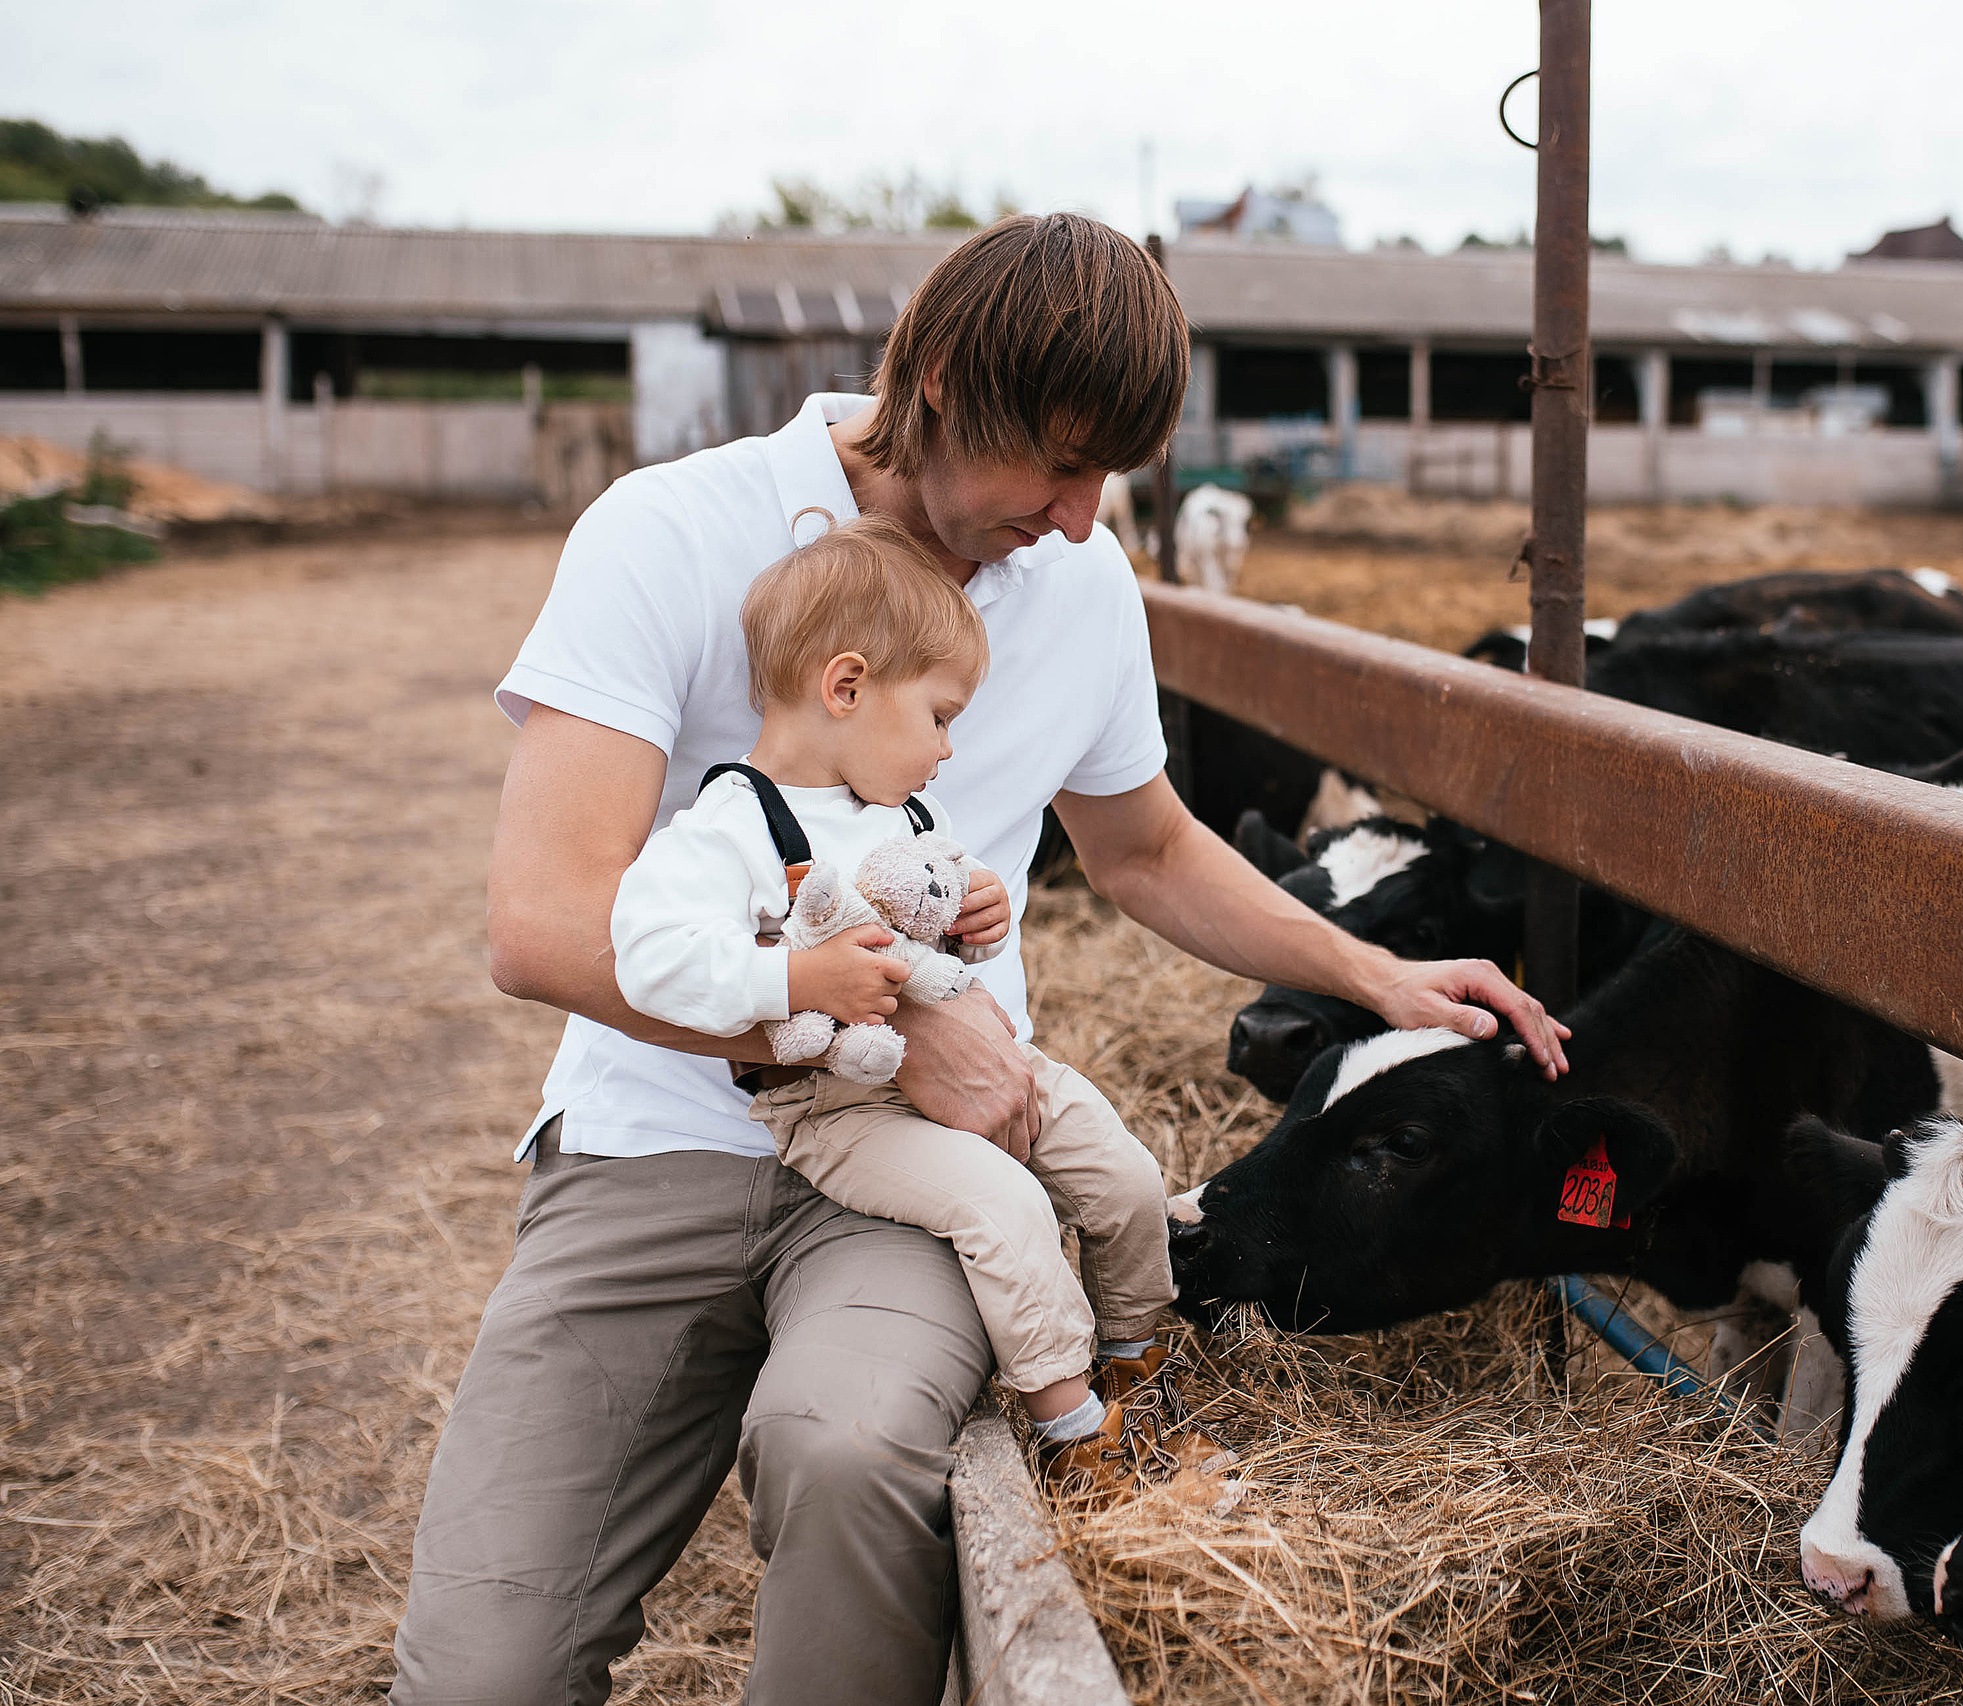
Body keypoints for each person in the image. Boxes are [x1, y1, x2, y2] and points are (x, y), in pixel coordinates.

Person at [391, 211, 1567, 1706]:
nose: (1082, 516)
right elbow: (542, 920)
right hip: (656, 1140)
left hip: (927, 1155)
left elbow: (1142, 849)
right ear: (938, 378)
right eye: (1061, 465)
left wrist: (1380, 979)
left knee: (850, 1444)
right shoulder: (673, 531)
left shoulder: (1080, 588)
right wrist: (847, 1013)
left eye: (1109, 479)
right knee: (479, 1673)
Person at [608, 513, 1202, 1501]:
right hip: (838, 1103)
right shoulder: (728, 826)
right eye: (937, 715)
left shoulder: (907, 813)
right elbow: (650, 957)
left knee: (1124, 1174)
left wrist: (984, 918)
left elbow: (938, 937)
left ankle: (1134, 1357)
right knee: (1003, 1207)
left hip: (972, 1056)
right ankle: (1077, 1434)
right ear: (844, 687)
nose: (948, 747)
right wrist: (796, 983)